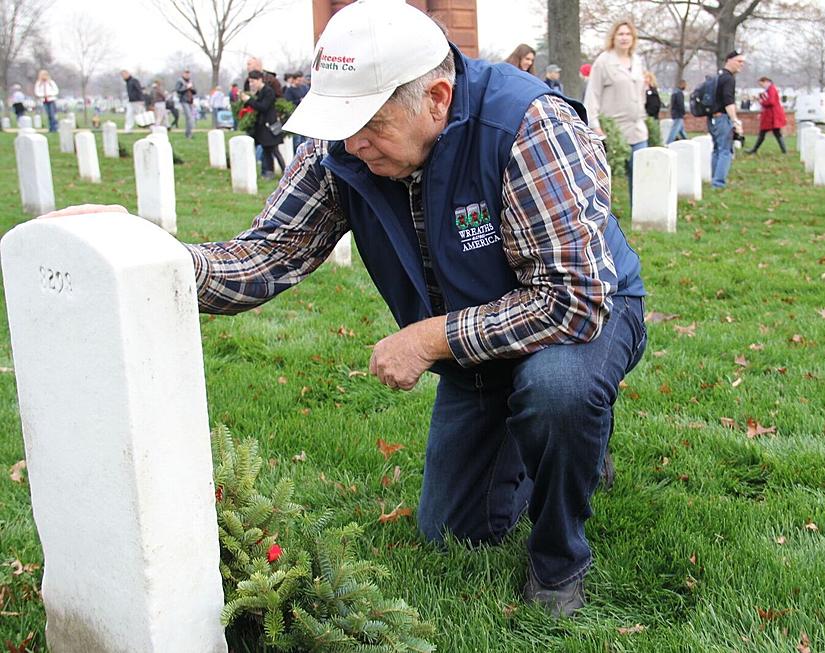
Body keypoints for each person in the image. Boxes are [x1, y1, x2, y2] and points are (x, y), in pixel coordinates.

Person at [42, 0, 646, 619]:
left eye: (371, 125)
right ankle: (557, 440)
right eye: (342, 125)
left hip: (587, 316)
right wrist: (143, 258)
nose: (353, 144)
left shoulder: (527, 126)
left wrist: (429, 339)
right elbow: (267, 255)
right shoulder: (341, 151)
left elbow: (570, 300)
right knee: (454, 532)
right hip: (478, 339)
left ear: (437, 98)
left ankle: (559, 558)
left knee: (558, 389)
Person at [584, 19, 648, 203]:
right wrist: (595, 125)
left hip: (637, 129)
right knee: (606, 176)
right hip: (613, 129)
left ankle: (639, 208)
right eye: (620, 34)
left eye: (628, 34)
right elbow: (592, 95)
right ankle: (604, 211)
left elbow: (641, 92)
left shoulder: (637, 61)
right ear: (613, 37)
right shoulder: (603, 61)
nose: (624, 38)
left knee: (639, 173)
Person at [708, 50, 745, 189]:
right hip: (723, 118)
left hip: (712, 117)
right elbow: (728, 101)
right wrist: (735, 120)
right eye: (739, 61)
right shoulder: (729, 78)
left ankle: (714, 179)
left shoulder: (717, 76)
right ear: (729, 60)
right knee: (725, 150)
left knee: (717, 149)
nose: (741, 65)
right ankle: (718, 183)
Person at [241, 70, 284, 178]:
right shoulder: (260, 92)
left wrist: (249, 100)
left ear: (260, 80)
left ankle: (286, 171)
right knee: (266, 150)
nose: (251, 84)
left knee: (275, 151)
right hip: (262, 127)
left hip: (269, 126)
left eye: (253, 82)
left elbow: (263, 107)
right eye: (250, 82)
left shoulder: (268, 91)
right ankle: (269, 172)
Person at [747, 76, 786, 154]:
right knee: (775, 133)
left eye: (762, 84)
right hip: (770, 115)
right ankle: (784, 150)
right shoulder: (769, 90)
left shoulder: (771, 89)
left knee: (766, 132)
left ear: (766, 82)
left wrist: (761, 101)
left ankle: (754, 149)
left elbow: (771, 102)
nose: (761, 86)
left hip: (772, 115)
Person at [176, 69, 197, 138]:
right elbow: (178, 90)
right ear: (183, 74)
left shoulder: (191, 81)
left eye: (188, 73)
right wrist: (186, 87)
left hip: (190, 101)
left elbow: (195, 92)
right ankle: (188, 134)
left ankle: (189, 133)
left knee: (191, 118)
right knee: (189, 117)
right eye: (186, 73)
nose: (187, 75)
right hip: (184, 101)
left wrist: (191, 88)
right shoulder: (180, 81)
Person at [665, 80, 687, 144]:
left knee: (681, 130)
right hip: (679, 114)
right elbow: (680, 104)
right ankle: (669, 142)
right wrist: (683, 112)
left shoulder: (674, 92)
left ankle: (686, 140)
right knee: (675, 130)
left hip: (674, 113)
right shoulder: (679, 93)